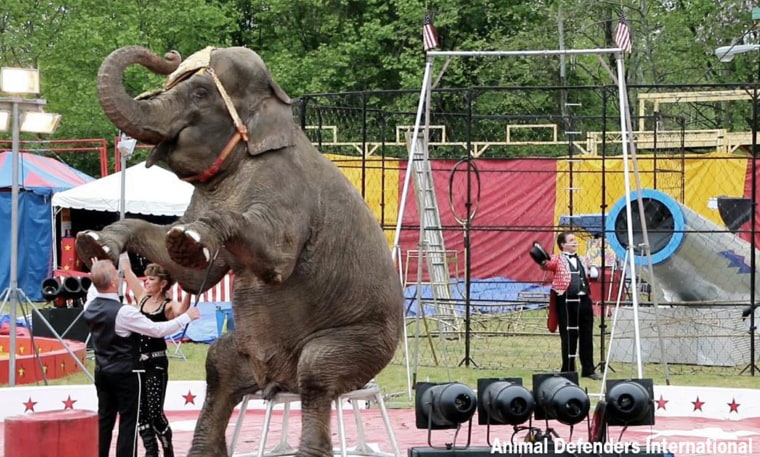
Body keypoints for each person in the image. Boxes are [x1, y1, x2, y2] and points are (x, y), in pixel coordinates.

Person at [83, 259, 200, 457]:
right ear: (113, 282)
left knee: (106, 420)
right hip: (126, 373)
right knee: (130, 421)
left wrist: (97, 269)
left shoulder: (90, 306)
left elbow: (96, 290)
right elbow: (157, 330)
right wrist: (187, 317)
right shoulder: (124, 312)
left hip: (104, 371)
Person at [121, 255, 190, 457]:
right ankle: (151, 452)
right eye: (146, 278)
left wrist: (189, 292)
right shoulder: (142, 298)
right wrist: (123, 252)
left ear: (163, 283)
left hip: (156, 363)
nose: (146, 282)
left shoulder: (168, 305)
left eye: (151, 279)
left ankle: (167, 446)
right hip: (138, 362)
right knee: (140, 412)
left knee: (154, 412)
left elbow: (182, 312)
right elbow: (128, 273)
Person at [540, 231, 600, 380]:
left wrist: (593, 271)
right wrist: (541, 258)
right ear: (563, 245)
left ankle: (588, 369)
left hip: (583, 299)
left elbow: (591, 273)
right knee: (568, 335)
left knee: (587, 334)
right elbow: (547, 264)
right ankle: (568, 368)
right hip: (566, 300)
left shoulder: (582, 258)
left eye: (575, 240)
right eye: (571, 240)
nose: (575, 242)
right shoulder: (558, 259)